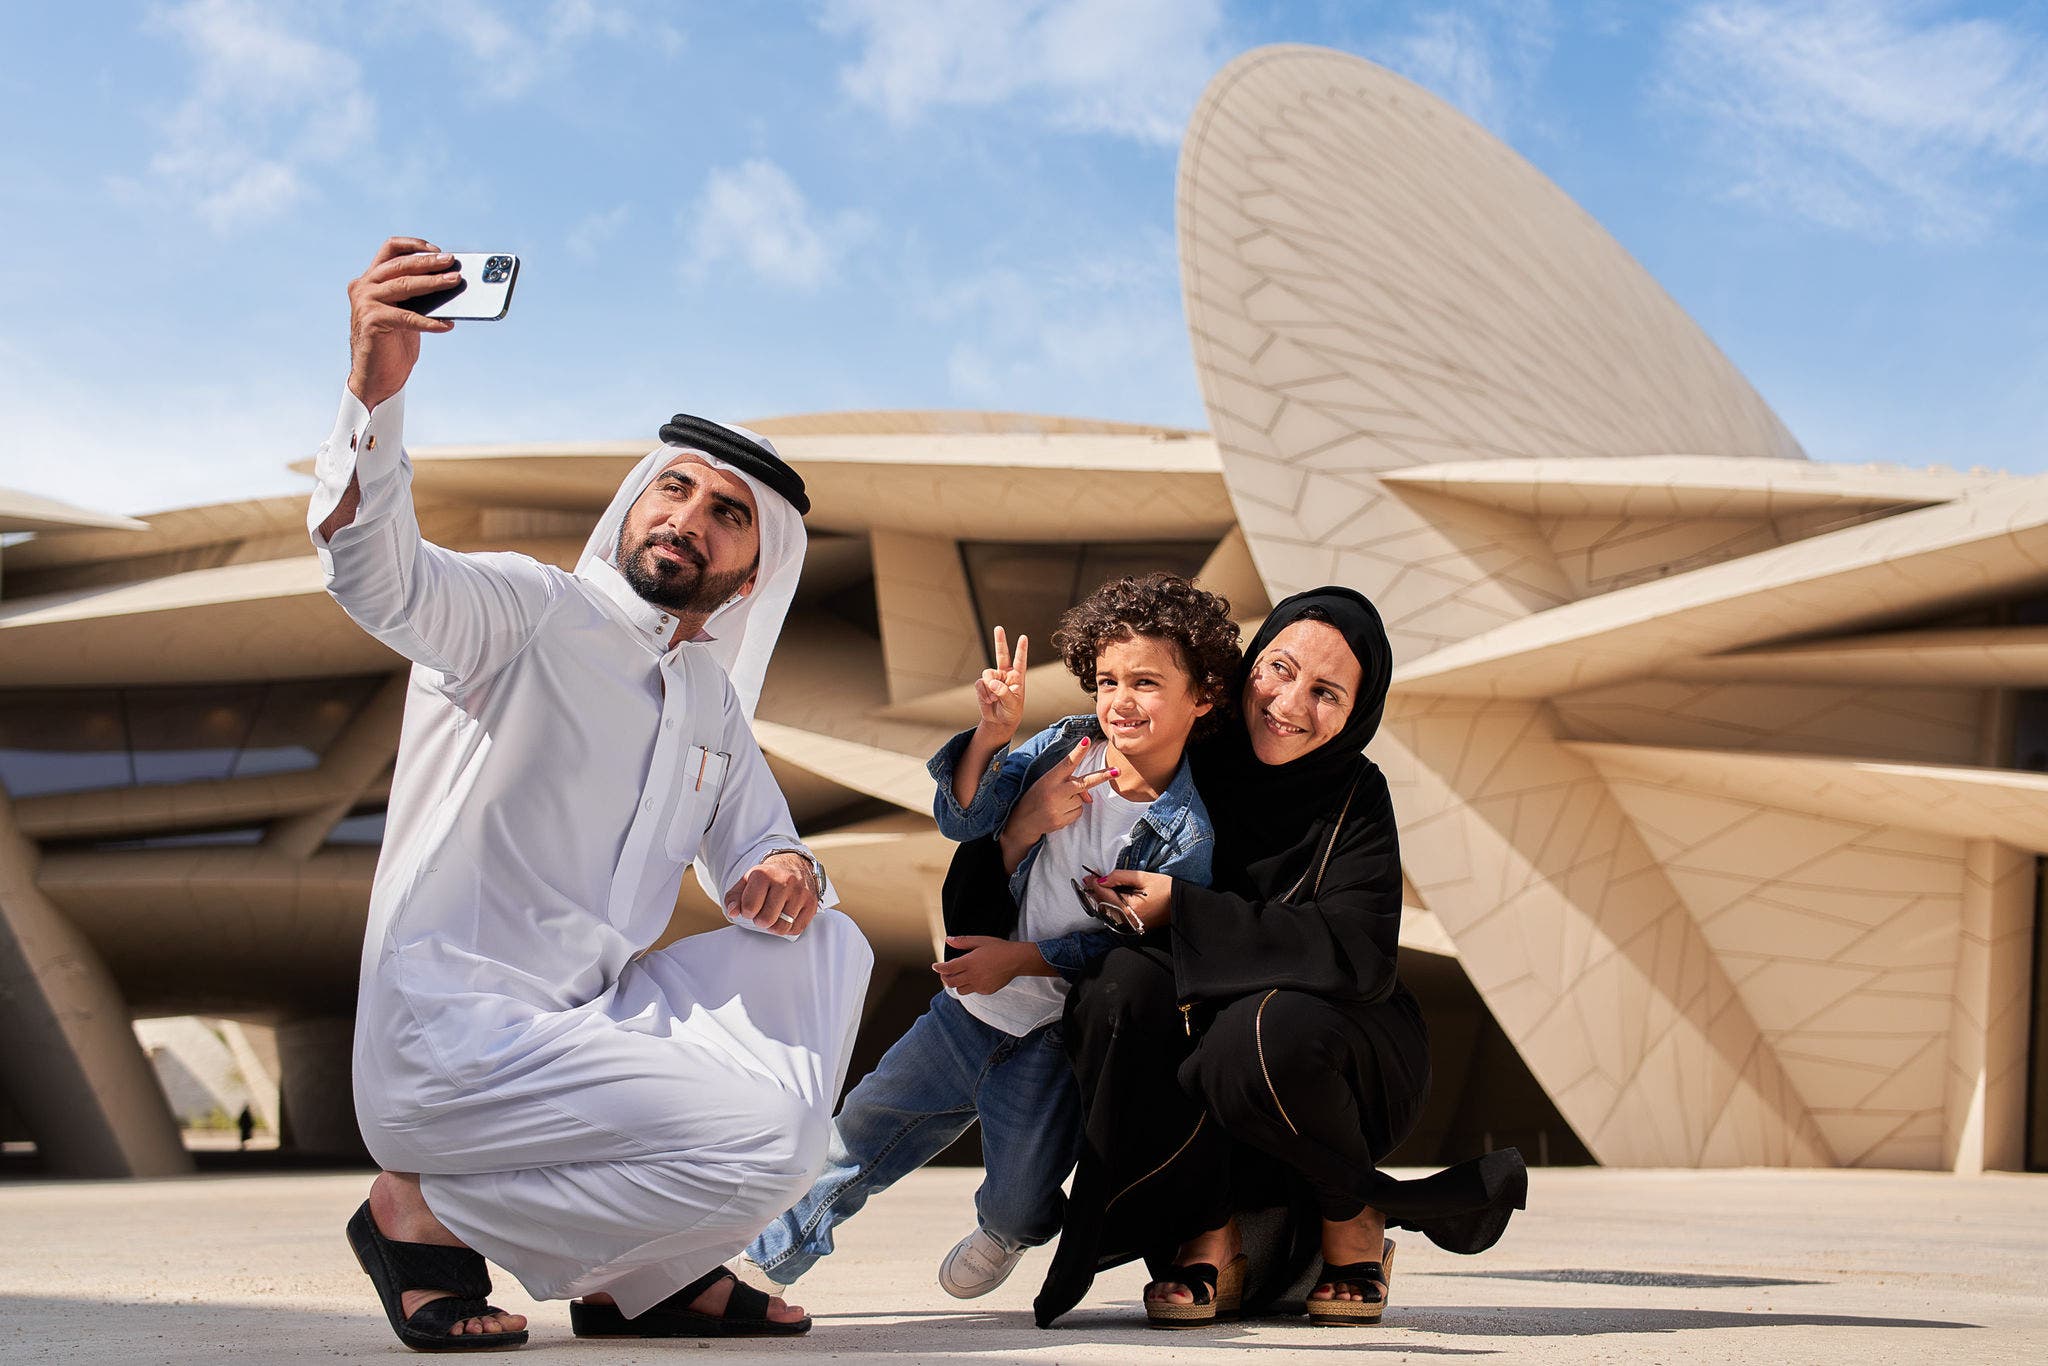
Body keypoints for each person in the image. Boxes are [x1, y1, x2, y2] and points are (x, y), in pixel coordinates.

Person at [314, 238, 873, 1352]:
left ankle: (635, 1281)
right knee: (773, 1142)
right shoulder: (526, 613)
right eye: (673, 487)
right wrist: (373, 396)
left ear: (752, 571)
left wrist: (783, 871)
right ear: (633, 504)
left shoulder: (709, 701)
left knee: (829, 944)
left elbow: (765, 843)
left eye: (725, 512)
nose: (686, 515)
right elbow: (377, 572)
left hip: (583, 1032)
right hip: (455, 1039)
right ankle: (417, 1207)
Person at [1012, 587, 1528, 1329]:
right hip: (1206, 1046)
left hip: (1331, 1059)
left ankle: (1352, 1220)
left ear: (1358, 711)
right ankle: (1210, 1229)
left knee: (1259, 1034)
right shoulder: (1194, 755)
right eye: (1278, 670)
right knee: (1115, 987)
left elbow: (1358, 953)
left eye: (1325, 692)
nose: (1289, 703)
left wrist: (1182, 911)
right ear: (1248, 665)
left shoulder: (1356, 794)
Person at [746, 574, 1240, 1301]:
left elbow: (1139, 956)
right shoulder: (1064, 745)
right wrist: (994, 737)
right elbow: (965, 821)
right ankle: (759, 1263)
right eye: (1107, 680)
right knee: (853, 1139)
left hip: (1048, 1043)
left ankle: (1012, 1232)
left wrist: (1024, 960)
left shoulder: (1186, 832)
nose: (1119, 701)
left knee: (1016, 1197)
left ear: (1202, 696)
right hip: (964, 1017)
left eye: (1145, 682)